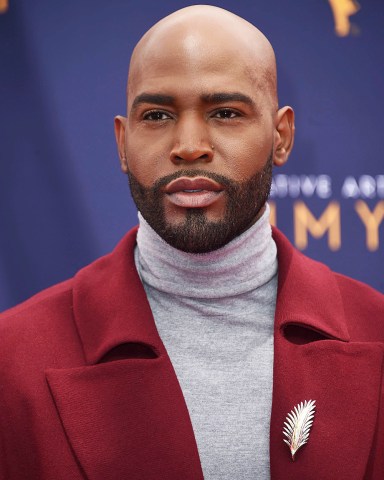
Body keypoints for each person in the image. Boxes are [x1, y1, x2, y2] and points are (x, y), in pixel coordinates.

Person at [0, 5, 383, 480]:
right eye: (157, 115)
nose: (188, 144)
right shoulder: (10, 360)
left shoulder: (377, 332)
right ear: (122, 143)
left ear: (281, 136)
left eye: (225, 113)